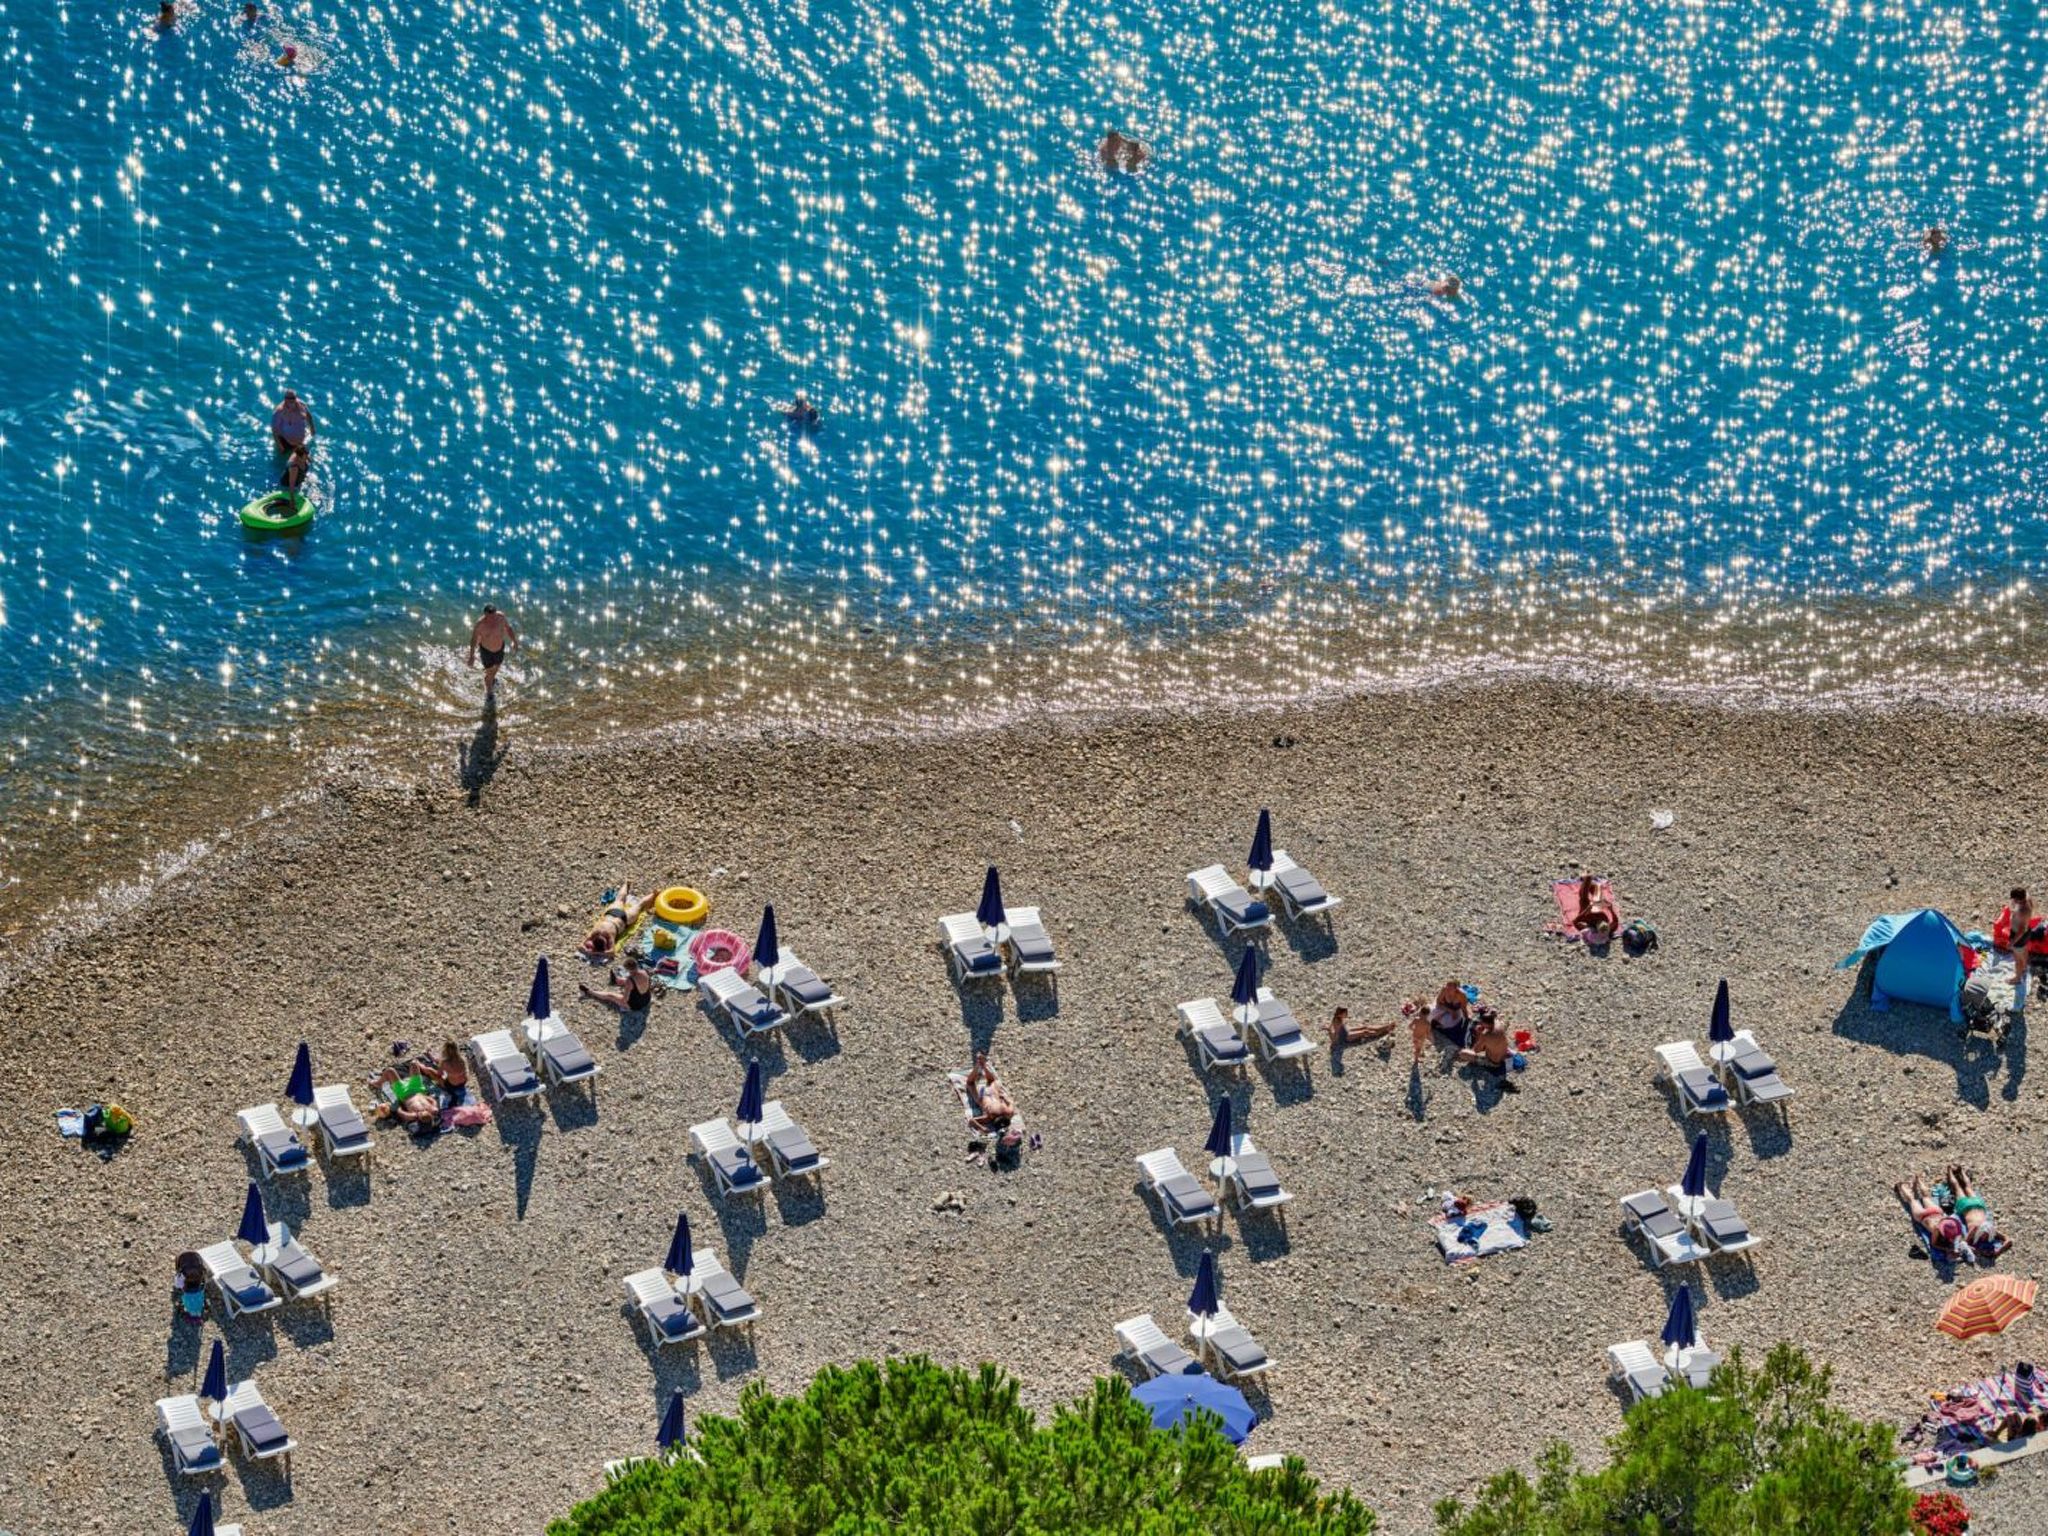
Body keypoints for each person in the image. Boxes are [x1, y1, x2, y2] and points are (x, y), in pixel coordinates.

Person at [1946, 1165, 2012, 1259]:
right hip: (1966, 1206)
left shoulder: (1990, 1230)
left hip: (1979, 1204)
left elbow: (2008, 1240)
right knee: (1958, 1188)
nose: (1984, 1238)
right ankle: (1950, 1170)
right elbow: (1964, 1243)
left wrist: (1998, 1251)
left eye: (1985, 1236)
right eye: (1983, 1236)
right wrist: (1978, 1251)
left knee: (1967, 1187)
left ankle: (1961, 1172)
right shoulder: (1975, 1229)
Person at [1896, 1173, 1966, 1259]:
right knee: (1911, 1200)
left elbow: (1960, 1237)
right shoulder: (1937, 1230)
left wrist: (1954, 1247)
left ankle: (1918, 1180)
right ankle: (1901, 1185)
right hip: (1923, 1216)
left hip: (1936, 1212)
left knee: (1926, 1196)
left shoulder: (1950, 1224)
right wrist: (1947, 1249)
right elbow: (1933, 1243)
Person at [581, 889, 656, 957]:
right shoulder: (596, 931)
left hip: (624, 919)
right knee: (619, 899)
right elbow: (580, 945)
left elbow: (611, 952)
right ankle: (626, 883)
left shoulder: (609, 936)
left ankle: (653, 894)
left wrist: (594, 952)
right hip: (611, 913)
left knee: (640, 904)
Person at [467, 604, 516, 698]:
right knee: (489, 673)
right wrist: (471, 656)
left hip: (499, 649)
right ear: (485, 614)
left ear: (496, 613)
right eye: (489, 618)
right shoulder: (480, 625)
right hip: (486, 652)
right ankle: (489, 692)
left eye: (493, 617)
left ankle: (490, 678)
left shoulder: (501, 617)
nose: (492, 620)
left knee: (497, 667)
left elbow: (508, 628)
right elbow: (474, 640)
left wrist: (514, 641)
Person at [581, 953, 656, 1012]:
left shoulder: (629, 981)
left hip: (635, 1005)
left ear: (628, 969)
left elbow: (625, 1000)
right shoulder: (645, 972)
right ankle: (616, 980)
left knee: (610, 995)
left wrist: (620, 995)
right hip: (647, 999)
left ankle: (589, 991)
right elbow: (638, 982)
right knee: (628, 982)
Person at [371, 1065, 441, 1127]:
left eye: (421, 1115)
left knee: (390, 1070)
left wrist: (398, 1106)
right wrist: (426, 1097)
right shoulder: (433, 1110)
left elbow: (401, 1113)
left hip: (403, 1093)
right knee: (414, 1064)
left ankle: (378, 1083)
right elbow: (433, 1100)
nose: (423, 1112)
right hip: (418, 1089)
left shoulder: (413, 1115)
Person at [963, 1051, 1017, 1132]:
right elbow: (971, 1121)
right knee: (970, 1083)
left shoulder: (1008, 1112)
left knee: (990, 1080)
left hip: (988, 1094)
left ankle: (981, 1065)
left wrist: (1005, 1098)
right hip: (983, 1096)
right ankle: (980, 1065)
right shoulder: (990, 1117)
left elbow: (1011, 1102)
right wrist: (982, 1128)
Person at [1571, 874, 1616, 943]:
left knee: (1584, 898)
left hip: (1588, 910)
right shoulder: (1607, 926)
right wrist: (1611, 910)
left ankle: (1587, 879)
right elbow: (1615, 921)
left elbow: (1575, 921)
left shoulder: (1590, 924)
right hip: (1595, 908)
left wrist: (1587, 909)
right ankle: (1589, 881)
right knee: (1596, 892)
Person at [173, 1251, 208, 1320]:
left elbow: (177, 1285)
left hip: (187, 1288)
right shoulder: (200, 1272)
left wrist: (181, 1287)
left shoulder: (182, 1275)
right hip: (198, 1285)